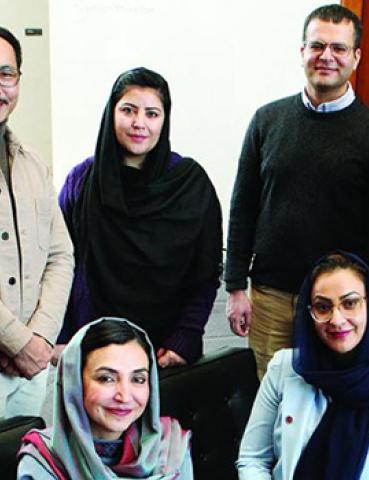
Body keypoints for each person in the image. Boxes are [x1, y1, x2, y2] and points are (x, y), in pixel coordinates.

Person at [225, 4, 369, 378]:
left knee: (329, 401)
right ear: (301, 52)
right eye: (317, 46)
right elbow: (243, 207)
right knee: (272, 402)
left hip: (337, 306)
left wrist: (362, 302)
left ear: (356, 57)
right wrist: (236, 286)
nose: (326, 56)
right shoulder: (266, 121)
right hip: (270, 297)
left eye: (338, 48)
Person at [55, 67, 222, 368]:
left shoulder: (191, 184)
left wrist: (185, 336)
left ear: (164, 119)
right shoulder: (82, 181)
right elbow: (60, 264)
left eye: (152, 114)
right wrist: (64, 338)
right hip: (91, 349)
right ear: (111, 113)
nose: (139, 123)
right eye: (128, 110)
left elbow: (206, 273)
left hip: (165, 353)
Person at [237, 252, 369, 479]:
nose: (337, 319)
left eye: (349, 303)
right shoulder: (285, 367)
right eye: (323, 307)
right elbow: (253, 459)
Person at [0, 27, 73, 417]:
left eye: (6, 74)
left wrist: (41, 337)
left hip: (30, 369)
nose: (0, 86)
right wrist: (18, 343)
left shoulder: (32, 165)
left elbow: (61, 255)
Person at [17, 317, 193, 479]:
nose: (124, 396)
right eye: (106, 378)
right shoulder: (43, 460)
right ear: (74, 382)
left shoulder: (171, 447)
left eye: (138, 379)